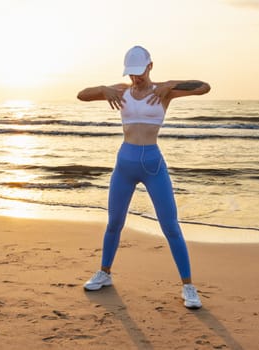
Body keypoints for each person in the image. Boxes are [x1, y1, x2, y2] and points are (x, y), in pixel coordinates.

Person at [77, 45, 210, 309]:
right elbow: (81, 95)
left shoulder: (164, 91)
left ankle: (188, 287)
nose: (135, 78)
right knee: (114, 223)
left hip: (152, 165)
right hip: (124, 164)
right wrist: (104, 89)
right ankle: (104, 273)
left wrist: (171, 84)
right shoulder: (121, 90)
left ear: (150, 66)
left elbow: (204, 86)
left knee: (170, 226)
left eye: (139, 72)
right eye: (131, 74)